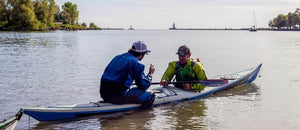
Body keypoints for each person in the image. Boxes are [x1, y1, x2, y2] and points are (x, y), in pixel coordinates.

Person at [100, 41, 155, 108]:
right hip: (117, 96)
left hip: (103, 94)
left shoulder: (117, 57)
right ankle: (143, 115)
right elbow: (143, 86)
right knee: (151, 95)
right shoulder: (137, 64)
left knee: (130, 88)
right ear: (142, 54)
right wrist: (150, 74)